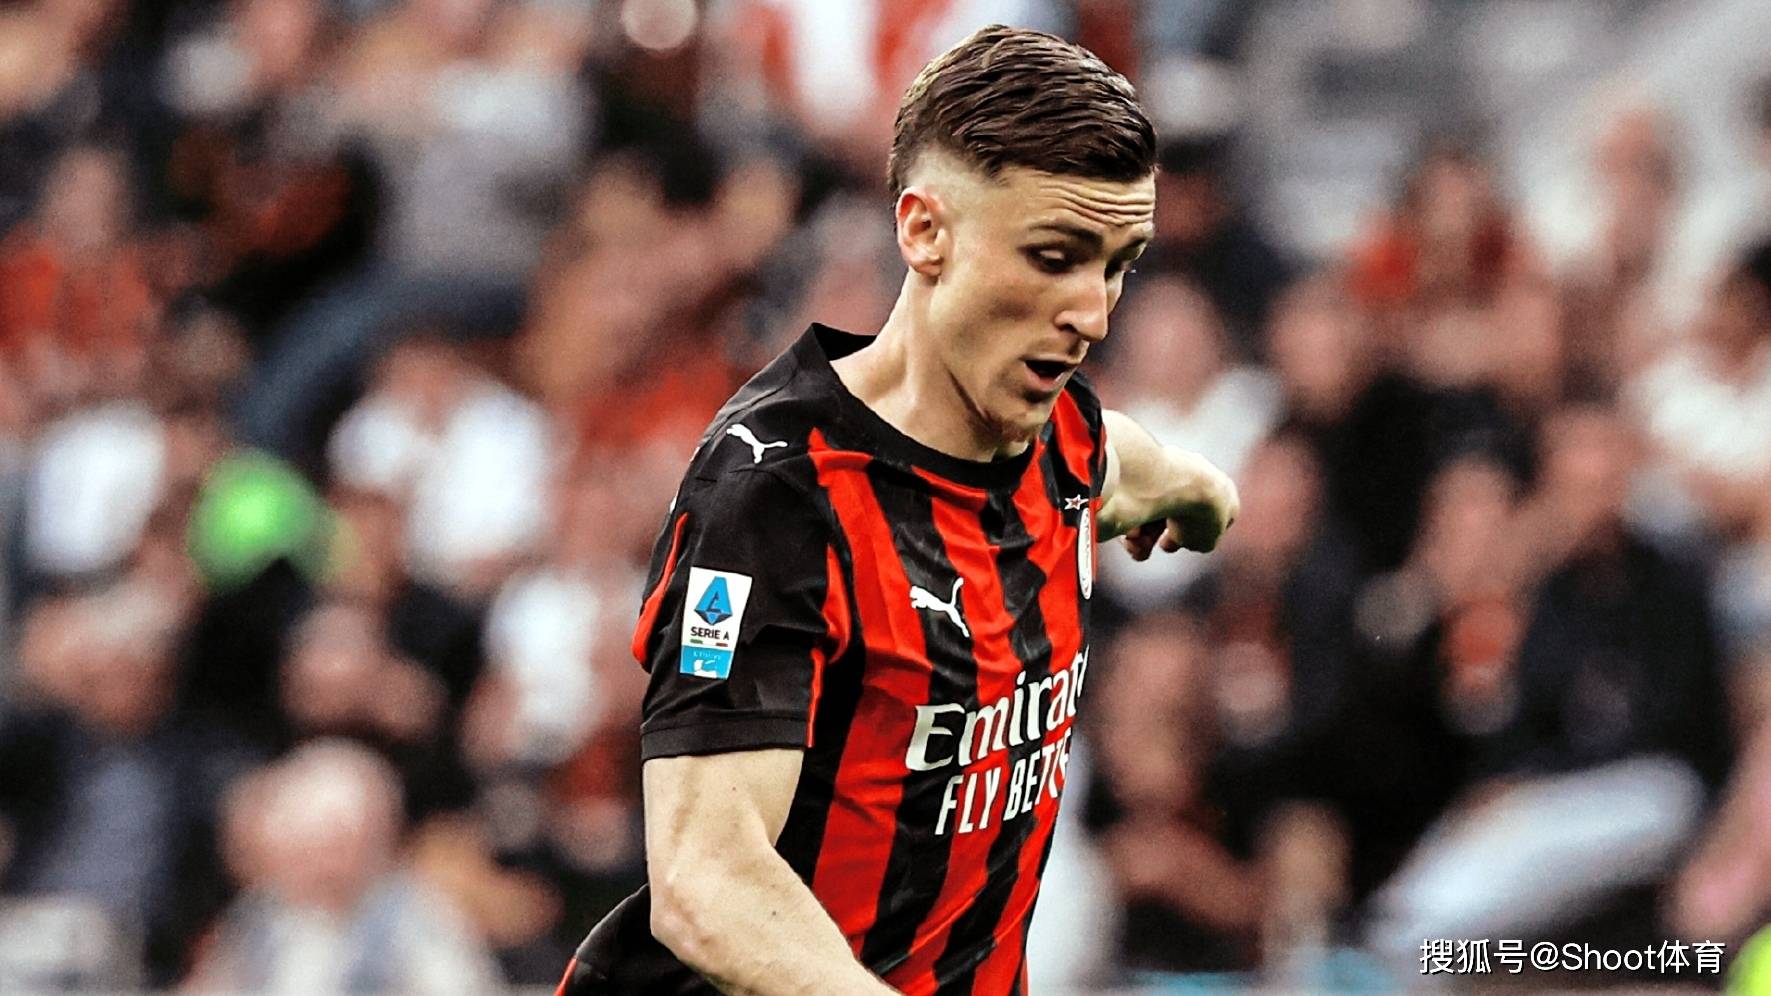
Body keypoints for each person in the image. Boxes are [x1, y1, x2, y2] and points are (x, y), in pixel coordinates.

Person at [556, 25, 1240, 996]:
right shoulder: (776, 499)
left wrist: (1207, 498)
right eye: (1053, 256)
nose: (1092, 313)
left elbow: (1142, 467)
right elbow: (707, 884)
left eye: (1116, 264)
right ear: (924, 233)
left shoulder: (1065, 441)